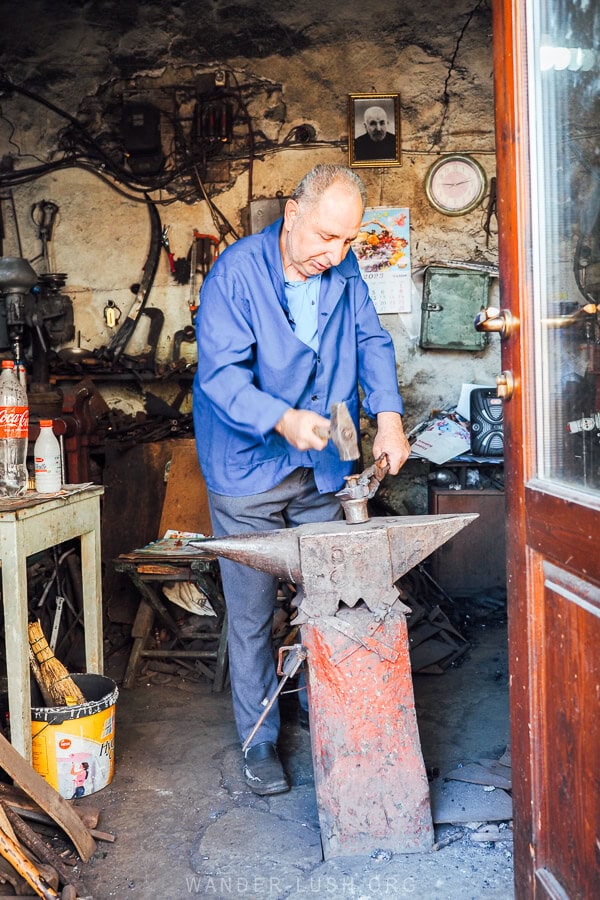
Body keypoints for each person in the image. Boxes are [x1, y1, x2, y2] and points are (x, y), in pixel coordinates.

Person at [193, 163, 410, 795]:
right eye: (323, 237)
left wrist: (389, 419)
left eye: (347, 241)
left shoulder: (341, 266)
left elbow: (372, 341)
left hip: (328, 452)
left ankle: (329, 718)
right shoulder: (235, 273)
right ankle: (259, 741)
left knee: (335, 598)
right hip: (249, 461)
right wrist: (281, 419)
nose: (334, 254)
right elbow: (221, 378)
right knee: (253, 614)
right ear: (291, 214)